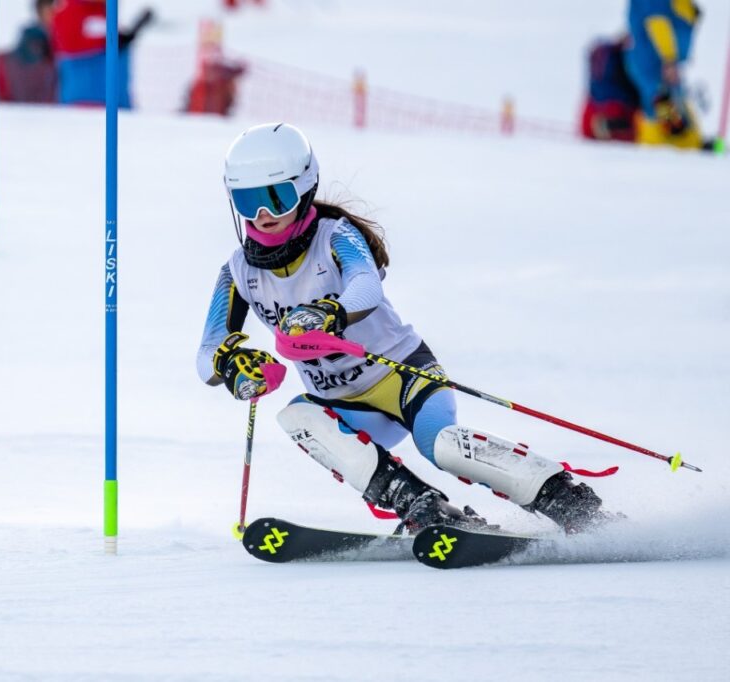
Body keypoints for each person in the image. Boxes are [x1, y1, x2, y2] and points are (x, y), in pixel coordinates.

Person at [196, 123, 615, 535]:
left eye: (276, 198)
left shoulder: (336, 237)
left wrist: (330, 313)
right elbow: (207, 352)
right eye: (248, 201)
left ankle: (566, 500)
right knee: (298, 416)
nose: (263, 214)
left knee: (443, 445)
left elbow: (366, 286)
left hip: (404, 375)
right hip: (345, 404)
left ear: (304, 188)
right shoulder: (238, 271)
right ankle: (422, 505)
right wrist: (232, 366)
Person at [623, 0, 704, 148]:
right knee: (662, 109)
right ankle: (661, 148)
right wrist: (669, 59)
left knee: (672, 107)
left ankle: (689, 144)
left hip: (661, 63)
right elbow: (656, 21)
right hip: (655, 63)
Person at [49, 0, 154, 108]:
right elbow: (69, 44)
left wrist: (122, 39)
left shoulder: (106, 12)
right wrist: (108, 42)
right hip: (82, 102)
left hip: (117, 101)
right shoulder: (68, 11)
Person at [581, 35, 639, 142]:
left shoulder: (602, 51)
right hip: (619, 112)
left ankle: (607, 126)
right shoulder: (625, 55)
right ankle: (611, 126)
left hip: (590, 114)